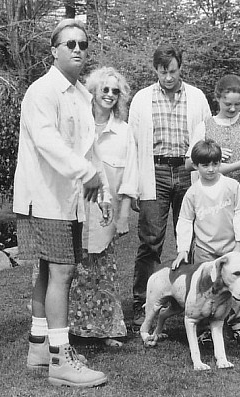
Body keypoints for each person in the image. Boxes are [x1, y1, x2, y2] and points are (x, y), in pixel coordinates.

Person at [13, 19, 111, 388]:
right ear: (53, 51)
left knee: (49, 271)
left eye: (83, 44)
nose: (77, 49)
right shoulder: (42, 91)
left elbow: (88, 148)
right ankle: (60, 359)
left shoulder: (80, 95)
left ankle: (40, 346)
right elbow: (47, 141)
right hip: (46, 198)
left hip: (67, 199)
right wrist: (86, 173)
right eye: (69, 43)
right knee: (62, 272)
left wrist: (99, 192)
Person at [128, 43, 212, 327]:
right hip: (155, 171)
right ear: (156, 70)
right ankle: (143, 300)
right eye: (163, 72)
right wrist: (136, 183)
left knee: (191, 236)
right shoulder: (142, 99)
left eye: (173, 72)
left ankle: (192, 296)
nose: (168, 78)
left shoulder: (197, 97)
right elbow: (133, 144)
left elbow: (206, 137)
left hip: (188, 169)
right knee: (150, 240)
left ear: (180, 68)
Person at [187, 74, 240, 346]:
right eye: (227, 103)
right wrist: (211, 157)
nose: (233, 109)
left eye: (237, 104)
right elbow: (190, 163)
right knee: (212, 262)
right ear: (217, 98)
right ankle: (208, 318)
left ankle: (239, 318)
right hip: (213, 199)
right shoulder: (206, 125)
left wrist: (228, 169)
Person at [68, 67, 138, 348]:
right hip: (75, 205)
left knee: (101, 269)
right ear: (93, 92)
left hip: (106, 209)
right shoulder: (78, 124)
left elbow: (130, 175)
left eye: (115, 91)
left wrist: (123, 216)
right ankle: (69, 328)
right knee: (72, 267)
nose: (109, 95)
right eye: (104, 90)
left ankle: (105, 329)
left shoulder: (123, 131)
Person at [172, 139, 240, 272]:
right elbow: (185, 221)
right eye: (205, 165)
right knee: (204, 287)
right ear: (196, 166)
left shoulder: (232, 186)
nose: (211, 169)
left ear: (220, 162)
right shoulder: (192, 193)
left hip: (230, 249)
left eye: (215, 164)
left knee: (230, 286)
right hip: (204, 251)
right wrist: (183, 250)